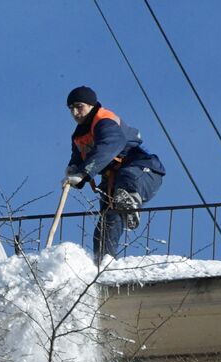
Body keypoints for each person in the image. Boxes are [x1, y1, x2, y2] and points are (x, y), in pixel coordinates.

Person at [63, 86, 165, 261]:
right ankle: (103, 262)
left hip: (141, 168)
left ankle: (130, 201)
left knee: (126, 182)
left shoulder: (105, 121)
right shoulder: (79, 136)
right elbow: (78, 157)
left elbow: (109, 146)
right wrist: (73, 169)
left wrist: (84, 172)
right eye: (71, 108)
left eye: (79, 106)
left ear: (91, 105)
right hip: (113, 179)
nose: (75, 112)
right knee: (107, 220)